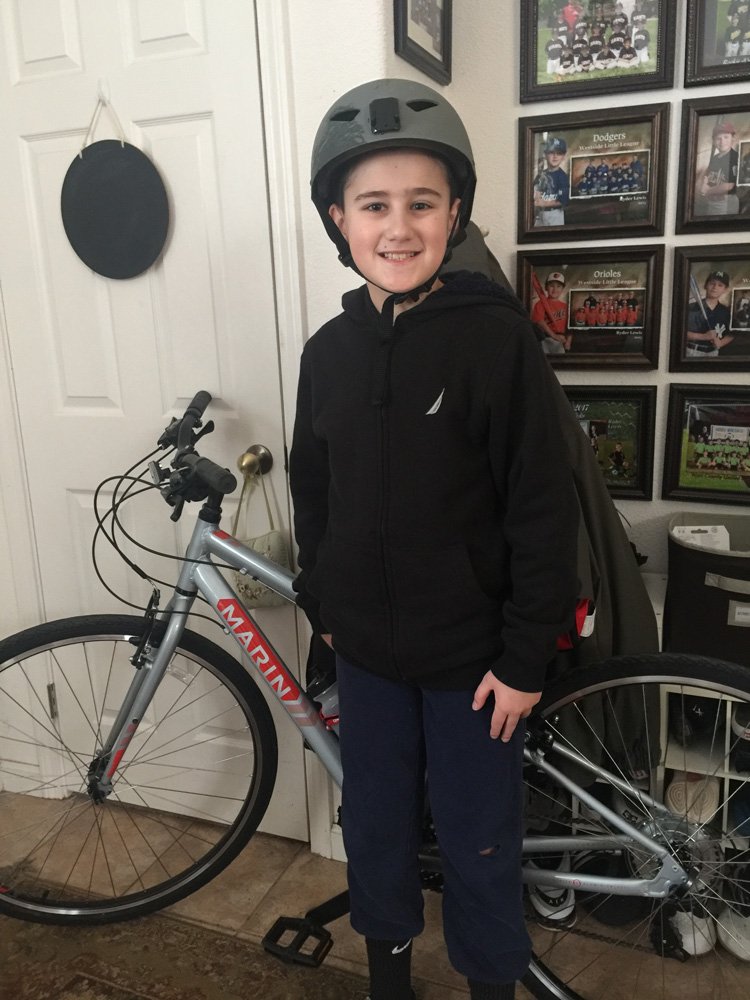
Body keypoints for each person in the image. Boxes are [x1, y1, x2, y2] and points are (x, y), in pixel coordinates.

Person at [290, 78, 578, 1000]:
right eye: (374, 205)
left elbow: (542, 510)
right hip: (369, 656)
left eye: (421, 202)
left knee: (477, 840)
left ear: (455, 213)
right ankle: (389, 980)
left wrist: (526, 658)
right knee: (374, 828)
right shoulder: (326, 354)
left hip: (475, 668)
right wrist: (324, 603)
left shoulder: (496, 342)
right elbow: (313, 493)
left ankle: (492, 983)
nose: (399, 226)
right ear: (339, 217)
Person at [686, 270, 733, 358]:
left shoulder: (726, 312)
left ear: (725, 289)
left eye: (720, 285)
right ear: (705, 285)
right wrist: (703, 336)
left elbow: (732, 334)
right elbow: (680, 333)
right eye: (712, 283)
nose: (715, 287)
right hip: (692, 351)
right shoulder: (691, 308)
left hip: (713, 353)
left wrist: (721, 343)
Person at [696, 121, 740, 216]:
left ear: (733, 138)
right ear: (713, 141)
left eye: (726, 137)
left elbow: (729, 185)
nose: (722, 142)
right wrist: (704, 184)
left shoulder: (735, 157)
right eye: (718, 138)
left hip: (726, 202)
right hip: (713, 202)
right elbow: (709, 176)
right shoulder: (715, 158)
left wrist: (708, 191)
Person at [533, 136, 569, 226]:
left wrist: (543, 203)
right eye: (551, 152)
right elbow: (536, 193)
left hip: (555, 214)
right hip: (540, 214)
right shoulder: (541, 175)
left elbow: (562, 201)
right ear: (545, 155)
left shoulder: (563, 177)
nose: (555, 156)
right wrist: (537, 198)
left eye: (559, 153)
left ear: (563, 156)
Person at [531, 271, 571, 349]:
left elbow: (570, 327)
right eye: (551, 286)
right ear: (546, 287)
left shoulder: (566, 306)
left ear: (562, 288)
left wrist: (568, 341)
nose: (555, 289)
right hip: (545, 339)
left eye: (558, 286)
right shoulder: (540, 304)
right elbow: (540, 322)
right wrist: (554, 336)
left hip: (562, 340)